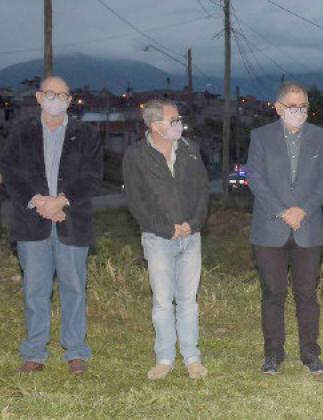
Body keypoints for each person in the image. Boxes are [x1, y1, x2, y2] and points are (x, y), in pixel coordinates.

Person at [0, 76, 102, 375]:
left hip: (72, 222)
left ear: (70, 100)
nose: (55, 98)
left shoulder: (87, 134)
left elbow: (92, 176)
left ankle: (76, 352)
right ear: (38, 97)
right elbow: (12, 172)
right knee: (35, 289)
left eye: (62, 95)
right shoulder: (20, 132)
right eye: (49, 93)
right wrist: (39, 201)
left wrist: (62, 201)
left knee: (74, 288)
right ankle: (34, 353)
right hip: (32, 221)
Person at [247, 81, 323, 375]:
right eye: (292, 107)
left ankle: (310, 354)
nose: (298, 112)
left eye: (304, 107)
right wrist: (283, 211)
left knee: (307, 294)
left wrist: (304, 210)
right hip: (269, 228)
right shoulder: (259, 137)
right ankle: (273, 354)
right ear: (278, 107)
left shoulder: (322, 138)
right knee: (273, 293)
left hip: (308, 229)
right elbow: (255, 179)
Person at [123, 99, 209, 380]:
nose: (179, 125)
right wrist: (166, 228)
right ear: (154, 125)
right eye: (173, 121)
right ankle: (164, 358)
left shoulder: (189, 150)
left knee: (188, 301)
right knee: (162, 301)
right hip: (159, 238)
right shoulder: (136, 156)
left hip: (190, 236)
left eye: (178, 120)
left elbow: (203, 192)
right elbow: (137, 202)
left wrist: (192, 224)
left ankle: (192, 357)